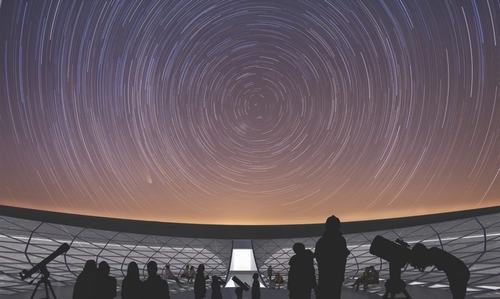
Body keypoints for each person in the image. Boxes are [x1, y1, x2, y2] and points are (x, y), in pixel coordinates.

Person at [314, 215, 350, 299]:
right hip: (337, 275)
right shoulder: (341, 240)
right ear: (338, 226)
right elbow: (342, 255)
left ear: (326, 226)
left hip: (324, 275)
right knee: (335, 294)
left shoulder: (321, 241)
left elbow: (318, 257)